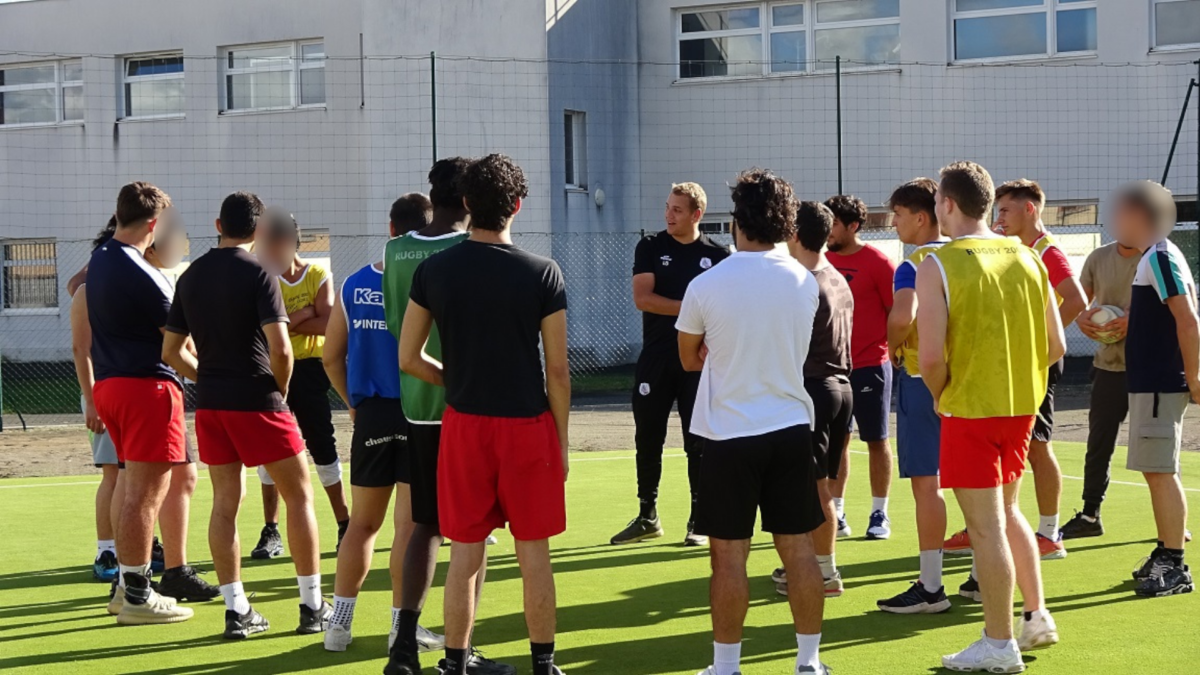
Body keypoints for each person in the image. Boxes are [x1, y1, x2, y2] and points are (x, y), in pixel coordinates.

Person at [391, 154, 569, 675]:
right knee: (533, 556)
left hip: (464, 427)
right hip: (527, 427)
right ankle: (544, 664)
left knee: (464, 554)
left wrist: (459, 377)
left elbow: (408, 358)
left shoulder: (434, 270)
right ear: (517, 205)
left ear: (467, 204)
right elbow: (557, 372)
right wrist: (560, 441)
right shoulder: (543, 272)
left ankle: (453, 663)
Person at [162, 191, 332, 639]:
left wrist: (208, 379)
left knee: (225, 504)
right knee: (299, 498)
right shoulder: (260, 272)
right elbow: (281, 348)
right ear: (257, 231)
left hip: (214, 407)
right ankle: (313, 607)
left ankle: (238, 611)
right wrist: (279, 389)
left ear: (218, 224)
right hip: (258, 400)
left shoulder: (191, 276)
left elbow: (171, 351)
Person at [917, 161, 1064, 672]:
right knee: (1007, 514)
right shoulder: (1028, 256)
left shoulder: (937, 264)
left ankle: (999, 644)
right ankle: (1036, 616)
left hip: (972, 410)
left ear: (948, 204)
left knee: (985, 528)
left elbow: (931, 358)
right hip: (1021, 407)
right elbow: (1056, 344)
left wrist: (942, 394)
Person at [681, 170, 827, 675]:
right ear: (788, 224)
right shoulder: (804, 281)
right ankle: (808, 662)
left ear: (737, 221)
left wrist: (716, 347)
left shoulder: (706, 284)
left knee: (728, 557)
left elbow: (688, 357)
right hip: (789, 430)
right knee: (799, 551)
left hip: (728, 436)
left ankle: (726, 667)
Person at [384, 159, 511, 675]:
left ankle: (404, 646)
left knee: (425, 526)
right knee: (472, 531)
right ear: (469, 200)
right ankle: (463, 650)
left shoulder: (396, 250)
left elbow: (401, 328)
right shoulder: (469, 249)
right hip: (465, 402)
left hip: (415, 401)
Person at [75, 216, 216, 603]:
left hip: (133, 391)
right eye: (169, 234)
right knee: (131, 486)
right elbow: (171, 348)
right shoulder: (116, 275)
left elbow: (179, 344)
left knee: (172, 480)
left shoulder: (129, 271)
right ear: (149, 236)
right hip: (138, 393)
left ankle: (161, 572)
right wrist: (216, 379)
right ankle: (130, 581)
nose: (178, 242)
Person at [947, 179, 1086, 564]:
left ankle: (1048, 532)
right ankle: (989, 520)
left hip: (1035, 361)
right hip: (1018, 360)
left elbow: (1076, 298)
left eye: (1005, 210)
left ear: (1030, 210)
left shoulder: (1045, 251)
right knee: (1011, 448)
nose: (999, 218)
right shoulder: (1014, 248)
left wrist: (1038, 343)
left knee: (1037, 445)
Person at [322, 193, 438, 652]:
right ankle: (399, 630)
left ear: (390, 229)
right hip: (418, 413)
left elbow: (332, 357)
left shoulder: (353, 285)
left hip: (371, 415)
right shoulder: (428, 281)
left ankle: (339, 626)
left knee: (360, 526)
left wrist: (353, 403)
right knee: (408, 530)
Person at [86, 182, 194, 625]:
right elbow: (176, 347)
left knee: (135, 491)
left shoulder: (101, 259)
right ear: (154, 224)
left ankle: (128, 590)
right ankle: (136, 594)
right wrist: (218, 377)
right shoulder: (143, 272)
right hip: (145, 389)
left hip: (113, 386)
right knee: (146, 496)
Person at [611, 183, 729, 547]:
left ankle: (699, 519)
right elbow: (643, 298)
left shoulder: (719, 255)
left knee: (698, 442)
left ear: (697, 215)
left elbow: (724, 309)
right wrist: (693, 308)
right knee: (648, 436)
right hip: (657, 359)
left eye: (677, 209)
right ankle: (648, 515)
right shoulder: (650, 246)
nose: (668, 215)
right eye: (667, 207)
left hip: (697, 362)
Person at [1111, 180, 1196, 598]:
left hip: (1162, 384)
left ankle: (1175, 564)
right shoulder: (1156, 257)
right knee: (1158, 470)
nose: (1115, 219)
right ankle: (1167, 550)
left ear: (1140, 216)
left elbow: (1188, 319)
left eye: (1121, 211)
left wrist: (1195, 377)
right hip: (1154, 384)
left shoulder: (1160, 255)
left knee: (1161, 472)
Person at [251, 208, 350, 560]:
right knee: (269, 451)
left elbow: (328, 324)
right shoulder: (263, 277)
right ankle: (271, 530)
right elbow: (266, 328)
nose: (270, 249)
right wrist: (304, 314)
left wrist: (288, 322)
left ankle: (344, 525)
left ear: (292, 242)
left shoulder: (318, 273)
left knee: (322, 445)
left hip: (309, 369)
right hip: (271, 369)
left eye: (276, 242)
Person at [877, 178, 952, 614]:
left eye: (899, 215)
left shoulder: (916, 263)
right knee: (974, 481)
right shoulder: (968, 256)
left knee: (928, 482)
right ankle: (981, 578)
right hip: (970, 381)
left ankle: (930, 586)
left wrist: (890, 344)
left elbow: (903, 315)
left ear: (921, 217)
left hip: (923, 378)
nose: (894, 224)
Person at [777, 200, 853, 600]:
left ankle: (824, 570)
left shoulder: (803, 281)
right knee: (821, 482)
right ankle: (815, 561)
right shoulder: (836, 277)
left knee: (816, 486)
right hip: (841, 386)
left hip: (815, 388)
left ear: (794, 233)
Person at [1058, 236, 1142, 539]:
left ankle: (1171, 524)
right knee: (1098, 446)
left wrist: (1135, 319)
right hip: (1108, 367)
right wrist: (1083, 319)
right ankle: (1090, 516)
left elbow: (1178, 310)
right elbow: (1081, 302)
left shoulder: (1158, 258)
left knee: (1157, 448)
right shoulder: (1098, 258)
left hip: (1150, 369)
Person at [824, 194, 896, 540]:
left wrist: (891, 350)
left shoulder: (879, 263)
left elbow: (897, 313)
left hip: (871, 366)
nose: (828, 230)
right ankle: (836, 511)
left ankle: (879, 512)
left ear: (853, 226)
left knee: (877, 440)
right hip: (830, 370)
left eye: (834, 223)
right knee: (836, 441)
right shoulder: (819, 262)